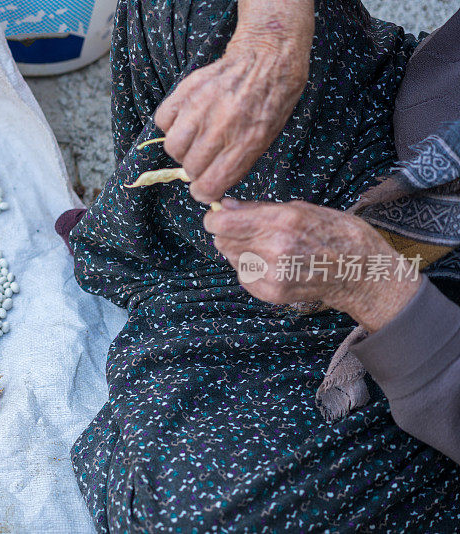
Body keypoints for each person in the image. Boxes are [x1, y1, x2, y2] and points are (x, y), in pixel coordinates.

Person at [59, 0, 460, 531]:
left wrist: (370, 284)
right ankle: (192, 289)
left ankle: (191, 301)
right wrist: (272, 41)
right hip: (428, 147)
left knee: (194, 515)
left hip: (431, 369)